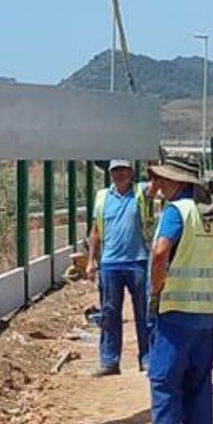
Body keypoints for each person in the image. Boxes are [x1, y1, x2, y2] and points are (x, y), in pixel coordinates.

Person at [144, 158, 213, 424]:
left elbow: (160, 252)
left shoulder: (176, 212)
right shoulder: (210, 213)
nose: (157, 187)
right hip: (203, 317)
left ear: (173, 181)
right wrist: (210, 283)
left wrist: (158, 286)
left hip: (173, 316)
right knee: (198, 386)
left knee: (165, 383)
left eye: (159, 180)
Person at [86, 159, 154, 376]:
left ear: (131, 172)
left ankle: (148, 358)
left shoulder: (141, 192)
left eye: (123, 170)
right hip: (110, 264)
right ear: (110, 174)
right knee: (109, 313)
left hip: (138, 262)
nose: (119, 174)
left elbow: (158, 185)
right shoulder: (102, 197)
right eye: (115, 171)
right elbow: (95, 231)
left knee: (144, 313)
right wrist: (91, 260)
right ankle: (109, 361)